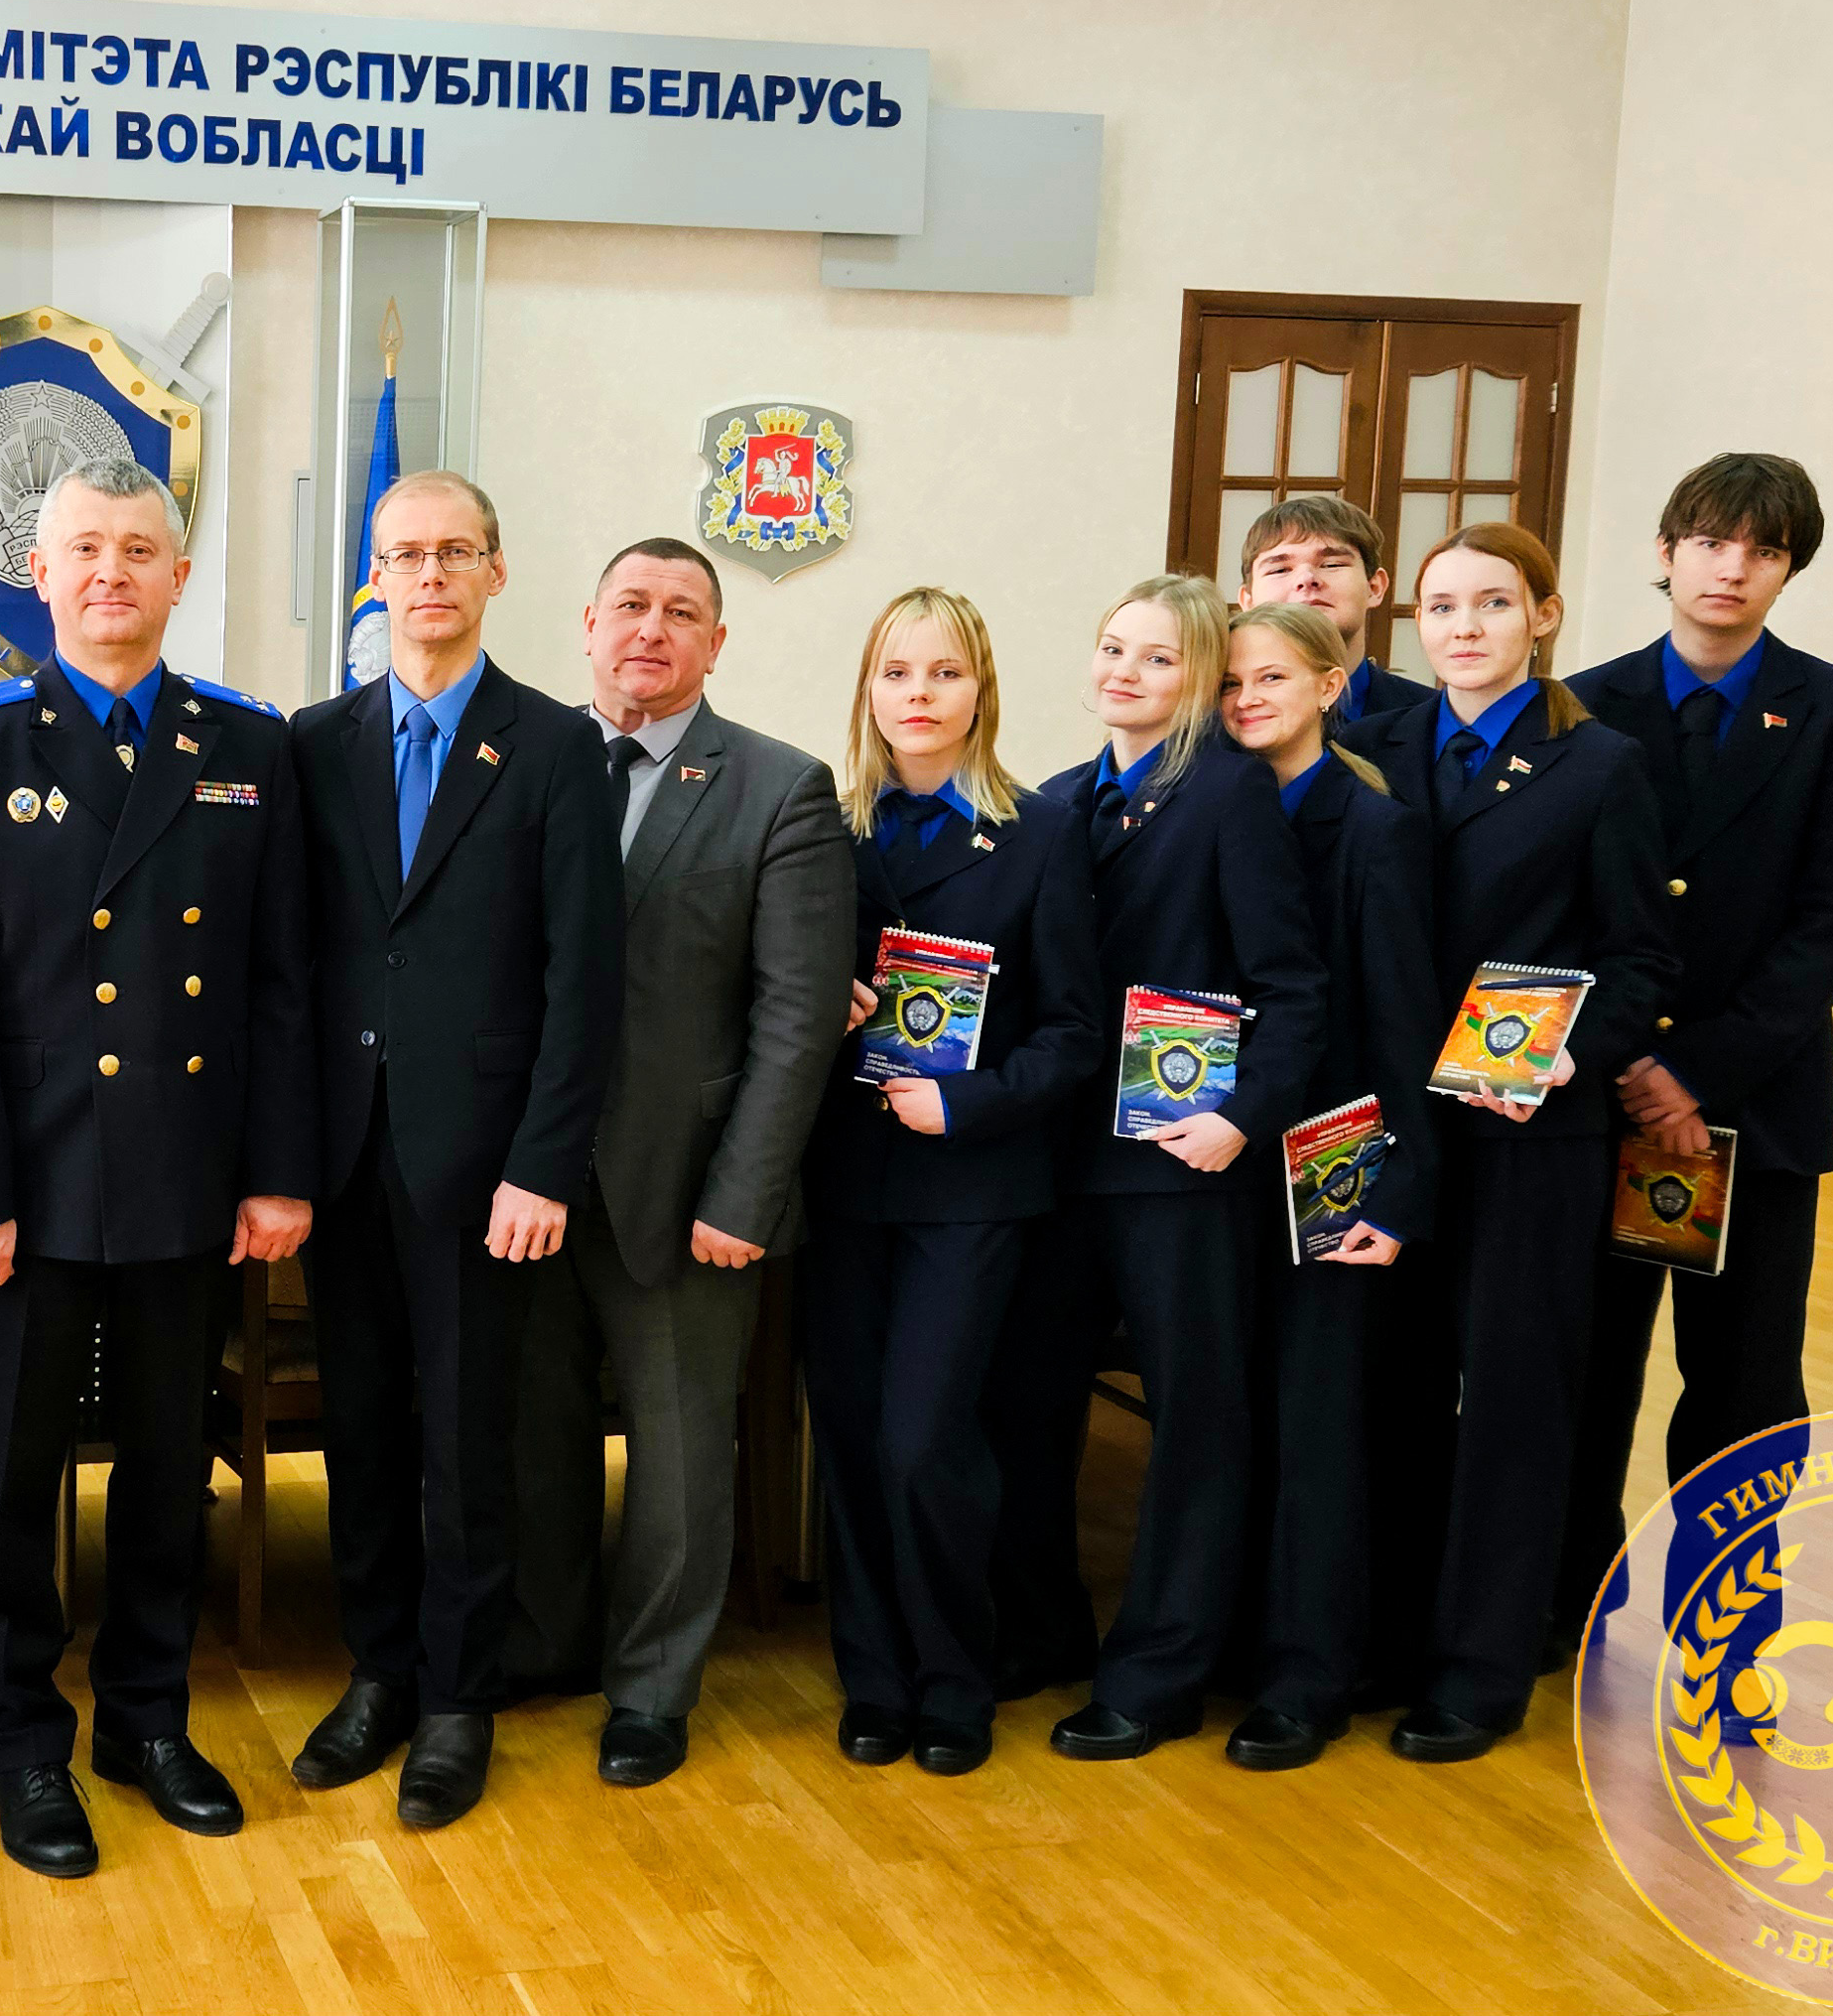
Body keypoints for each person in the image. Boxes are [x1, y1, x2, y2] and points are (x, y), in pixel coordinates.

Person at [0, 456, 314, 1880]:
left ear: (179, 578)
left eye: (139, 550)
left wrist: (276, 1172)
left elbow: (278, 981)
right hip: (29, 1183)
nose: (110, 573)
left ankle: (147, 1718)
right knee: (11, 1480)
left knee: (164, 1470)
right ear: (40, 574)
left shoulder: (247, 743)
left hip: (187, 1178)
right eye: (84, 549)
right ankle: (22, 1737)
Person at [285, 471, 623, 1830]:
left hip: (488, 1170)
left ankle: (458, 1698)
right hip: (343, 1155)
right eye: (404, 555)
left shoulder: (554, 746)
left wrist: (545, 1163)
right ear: (374, 576)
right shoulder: (315, 742)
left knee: (469, 1442)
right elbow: (294, 964)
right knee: (360, 1431)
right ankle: (379, 1672)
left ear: (495, 570)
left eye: (453, 552)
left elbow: (583, 979)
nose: (428, 575)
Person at [496, 538, 849, 1788]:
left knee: (681, 1452)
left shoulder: (779, 787)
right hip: (524, 1181)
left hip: (687, 1187)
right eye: (631, 605)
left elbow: (798, 1014)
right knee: (532, 1434)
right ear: (588, 622)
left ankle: (651, 1687)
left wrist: (745, 1192)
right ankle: (545, 1641)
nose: (651, 628)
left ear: (715, 641)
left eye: (681, 611)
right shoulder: (520, 760)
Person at [1552, 455, 1833, 1645]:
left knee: (1745, 1385)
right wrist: (1624, 1059)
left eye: (1762, 549)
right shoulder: (1581, 704)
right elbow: (1557, 908)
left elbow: (1829, 926)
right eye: (1708, 541)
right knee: (1585, 1366)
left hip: (1750, 1105)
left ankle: (1726, 1632)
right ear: (1665, 552)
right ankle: (1564, 1607)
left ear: (1788, 568)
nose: (1731, 567)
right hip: (1597, 1094)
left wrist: (1694, 1071)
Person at [984, 573, 1327, 1760]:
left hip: (1179, 1160)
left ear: (1201, 683)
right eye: (1112, 647)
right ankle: (1041, 1628)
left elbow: (1293, 986)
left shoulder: (1229, 794)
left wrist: (1241, 1115)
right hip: (1054, 1155)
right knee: (1026, 1399)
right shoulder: (1050, 799)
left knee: (1193, 1419)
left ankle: (1161, 1668)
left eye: (1159, 657)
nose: (1125, 671)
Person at [1351, 521, 1677, 1763]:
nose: (1464, 626)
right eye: (1442, 605)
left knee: (1512, 1392)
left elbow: (1640, 954)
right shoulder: (1375, 750)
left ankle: (1483, 1666)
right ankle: (1388, 1636)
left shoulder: (1599, 765)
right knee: (1392, 1380)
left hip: (1529, 1128)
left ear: (1542, 615)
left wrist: (1569, 1053)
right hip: (1396, 1118)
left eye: (1493, 602)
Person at [803, 588, 1106, 1781]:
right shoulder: (822, 828)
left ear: (982, 688)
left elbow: (1075, 1031)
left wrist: (969, 1101)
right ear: (866, 690)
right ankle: (874, 1681)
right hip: (841, 1179)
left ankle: (952, 1676)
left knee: (926, 1438)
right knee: (851, 1435)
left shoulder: (1039, 833)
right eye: (896, 672)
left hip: (972, 1184)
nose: (918, 694)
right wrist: (819, 1008)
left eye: (943, 672)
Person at [1214, 600, 1440, 1770]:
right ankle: (1234, 1640)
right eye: (1229, 682)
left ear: (1328, 685)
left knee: (1319, 1423)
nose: (1247, 698)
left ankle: (1309, 1675)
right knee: (1237, 1411)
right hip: (1214, 1160)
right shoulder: (1205, 808)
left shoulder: (1374, 828)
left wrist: (1397, 1191)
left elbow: (1405, 1029)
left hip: (1334, 1158)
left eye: (1271, 677)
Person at [1237, 494, 1434, 729]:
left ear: (1374, 587)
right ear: (1248, 600)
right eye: (1280, 569)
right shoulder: (1213, 725)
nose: (1306, 579)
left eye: (1332, 565)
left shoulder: (1433, 721)